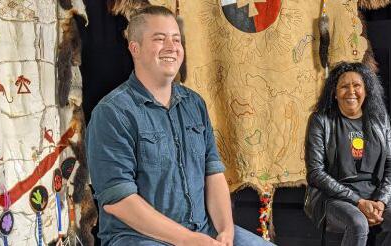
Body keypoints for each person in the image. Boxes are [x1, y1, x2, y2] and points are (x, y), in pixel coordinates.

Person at [86, 6, 273, 246]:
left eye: (176, 39)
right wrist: (188, 240)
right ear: (135, 48)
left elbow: (212, 173)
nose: (172, 47)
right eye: (159, 39)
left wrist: (225, 231)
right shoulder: (112, 113)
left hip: (203, 231)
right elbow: (119, 200)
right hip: (139, 237)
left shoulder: (195, 104)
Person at [303, 62, 391, 246]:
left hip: (375, 192)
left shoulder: (380, 119)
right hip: (334, 196)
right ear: (334, 92)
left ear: (366, 89)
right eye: (344, 86)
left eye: (357, 85)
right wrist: (358, 201)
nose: (351, 91)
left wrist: (381, 200)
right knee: (358, 223)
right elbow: (315, 172)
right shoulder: (320, 120)